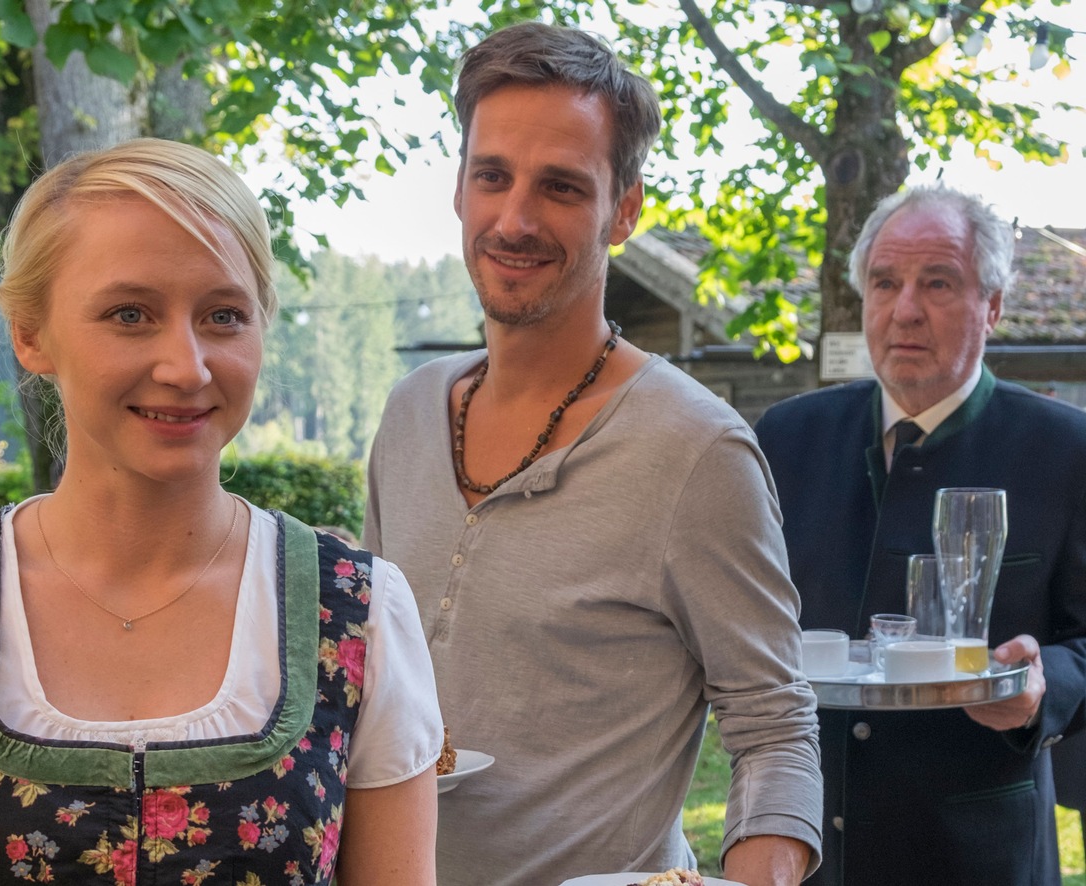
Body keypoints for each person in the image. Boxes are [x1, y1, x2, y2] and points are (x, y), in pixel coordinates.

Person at [0, 138, 442, 883]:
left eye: (223, 315)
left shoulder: (357, 611)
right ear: (30, 333)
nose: (186, 367)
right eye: (129, 314)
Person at [362, 21, 822, 886]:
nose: (515, 218)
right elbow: (377, 681)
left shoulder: (697, 451)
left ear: (626, 209)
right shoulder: (410, 412)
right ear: (459, 189)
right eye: (491, 176)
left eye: (563, 187)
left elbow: (774, 729)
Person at [754, 184, 1086, 885]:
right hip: (803, 851)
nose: (905, 310)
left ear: (992, 306)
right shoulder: (786, 438)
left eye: (937, 283)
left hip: (978, 854)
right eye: (885, 282)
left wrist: (1040, 684)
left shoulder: (1066, 449)